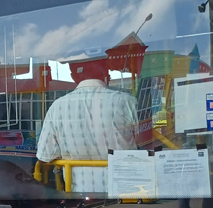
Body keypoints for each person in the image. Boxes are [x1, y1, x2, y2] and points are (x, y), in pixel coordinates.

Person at [36, 62, 137, 192]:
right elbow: (145, 143)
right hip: (127, 193)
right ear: (106, 74)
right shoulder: (127, 102)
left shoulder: (57, 106)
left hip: (79, 196)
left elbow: (44, 156)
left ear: (73, 77)